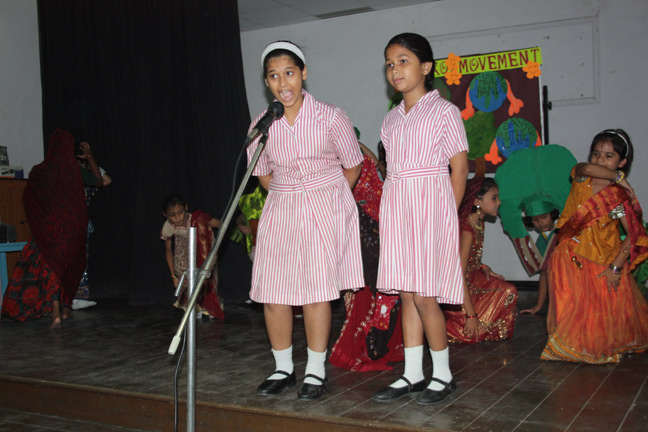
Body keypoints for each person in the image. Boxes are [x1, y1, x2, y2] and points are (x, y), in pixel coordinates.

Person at [247, 41, 364, 400]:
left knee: (316, 292)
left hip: (324, 207)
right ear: (266, 82)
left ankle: (315, 370)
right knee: (273, 291)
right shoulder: (262, 125)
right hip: (281, 207)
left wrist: (327, 200)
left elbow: (353, 165)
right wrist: (289, 196)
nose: (283, 83)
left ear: (304, 74)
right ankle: (283, 368)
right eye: (274, 76)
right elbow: (262, 174)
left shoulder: (331, 116)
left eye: (289, 73)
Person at [371, 33, 469, 406]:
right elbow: (391, 171)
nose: (395, 70)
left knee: (426, 295)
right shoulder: (391, 119)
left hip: (432, 208)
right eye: (389, 63)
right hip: (398, 207)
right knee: (407, 294)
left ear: (426, 67)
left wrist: (446, 218)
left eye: (403, 61)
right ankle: (412, 373)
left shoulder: (444, 111)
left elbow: (460, 169)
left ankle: (443, 374)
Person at [541, 129, 648, 364]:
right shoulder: (582, 178)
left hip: (603, 262)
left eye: (609, 156)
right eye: (596, 153)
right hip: (571, 257)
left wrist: (615, 268)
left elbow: (634, 235)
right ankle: (572, 346)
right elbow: (588, 168)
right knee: (572, 308)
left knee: (600, 316)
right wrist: (619, 177)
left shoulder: (618, 197)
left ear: (622, 162)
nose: (600, 160)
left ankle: (596, 345)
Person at [329, 131, 404, 372]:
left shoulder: (346, 159)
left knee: (369, 295)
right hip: (367, 233)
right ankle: (372, 347)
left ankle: (367, 348)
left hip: (365, 233)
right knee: (371, 295)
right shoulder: (351, 158)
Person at [1, 129, 91, 328]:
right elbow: (96, 184)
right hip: (71, 232)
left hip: (48, 231)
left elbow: (29, 199)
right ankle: (64, 310)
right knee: (66, 270)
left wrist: (39, 221)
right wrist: (89, 158)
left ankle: (57, 311)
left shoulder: (39, 171)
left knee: (52, 269)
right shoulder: (73, 171)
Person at [495, 144, 576, 316]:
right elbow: (544, 274)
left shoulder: (565, 234)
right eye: (535, 219)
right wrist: (538, 306)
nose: (540, 223)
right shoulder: (541, 242)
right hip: (558, 297)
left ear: (553, 214)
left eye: (544, 217)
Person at [444, 177, 518, 343]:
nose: (499, 202)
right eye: (494, 198)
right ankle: (444, 326)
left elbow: (471, 259)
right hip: (457, 291)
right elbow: (457, 275)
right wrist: (471, 315)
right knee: (472, 334)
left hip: (471, 281)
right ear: (477, 201)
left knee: (508, 291)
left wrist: (483, 267)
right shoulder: (467, 231)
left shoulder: (478, 224)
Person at [160, 193, 224, 320]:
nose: (177, 218)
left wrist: (235, 226)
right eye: (172, 215)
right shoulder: (168, 226)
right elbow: (168, 251)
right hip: (184, 249)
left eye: (180, 212)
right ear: (165, 215)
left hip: (204, 247)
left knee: (204, 276)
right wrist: (174, 276)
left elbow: (221, 224)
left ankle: (209, 305)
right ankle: (195, 306)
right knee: (185, 275)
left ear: (186, 208)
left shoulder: (198, 218)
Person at [73, 139, 112, 310]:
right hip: (65, 224)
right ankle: (67, 297)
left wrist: (90, 159)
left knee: (81, 259)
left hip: (80, 224)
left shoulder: (88, 184)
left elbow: (106, 180)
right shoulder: (65, 179)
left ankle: (78, 296)